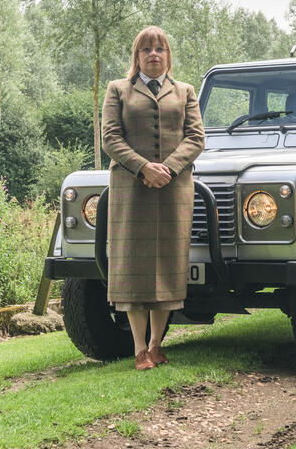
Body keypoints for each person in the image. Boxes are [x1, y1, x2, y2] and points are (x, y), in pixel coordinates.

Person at [101, 25, 205, 370]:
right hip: (131, 189)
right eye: (147, 49)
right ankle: (138, 348)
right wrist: (144, 167)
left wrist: (169, 169)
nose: (154, 54)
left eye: (160, 49)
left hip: (174, 190)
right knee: (132, 264)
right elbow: (111, 139)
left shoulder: (186, 91)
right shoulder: (118, 90)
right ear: (137, 56)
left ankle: (158, 344)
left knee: (167, 261)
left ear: (168, 55)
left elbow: (195, 138)